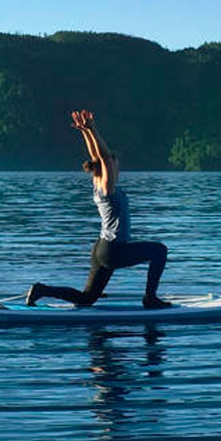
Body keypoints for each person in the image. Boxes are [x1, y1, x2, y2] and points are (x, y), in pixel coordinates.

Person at [26, 110, 171, 309]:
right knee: (159, 251)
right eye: (115, 165)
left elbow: (97, 157)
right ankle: (150, 299)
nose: (117, 166)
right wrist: (92, 129)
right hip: (112, 250)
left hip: (101, 249)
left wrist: (86, 131)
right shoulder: (106, 187)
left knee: (87, 298)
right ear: (109, 169)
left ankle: (41, 290)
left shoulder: (97, 182)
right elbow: (105, 157)